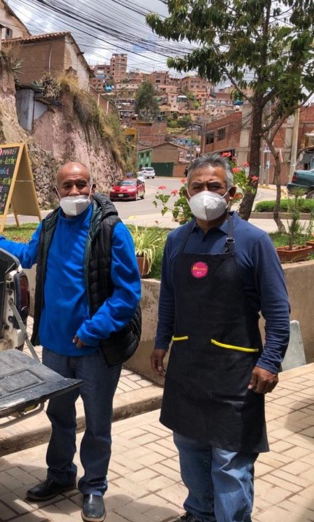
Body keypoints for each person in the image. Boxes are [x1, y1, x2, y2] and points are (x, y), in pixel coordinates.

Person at [0, 162, 141, 522]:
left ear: (92, 188)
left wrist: (92, 330)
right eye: (68, 186)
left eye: (82, 185)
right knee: (60, 416)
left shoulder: (111, 230)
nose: (75, 192)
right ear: (57, 191)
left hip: (95, 349)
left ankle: (94, 487)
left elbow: (127, 296)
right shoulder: (49, 225)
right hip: (55, 347)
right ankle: (61, 475)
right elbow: (26, 254)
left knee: (97, 423)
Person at [151, 153, 290, 522]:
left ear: (230, 192)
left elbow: (277, 309)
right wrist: (161, 341)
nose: (205, 192)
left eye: (214, 186)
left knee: (229, 461)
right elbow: (169, 298)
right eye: (197, 186)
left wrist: (270, 360)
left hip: (236, 371)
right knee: (190, 447)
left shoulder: (254, 241)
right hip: (188, 366)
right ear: (186, 192)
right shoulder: (177, 241)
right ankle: (199, 513)